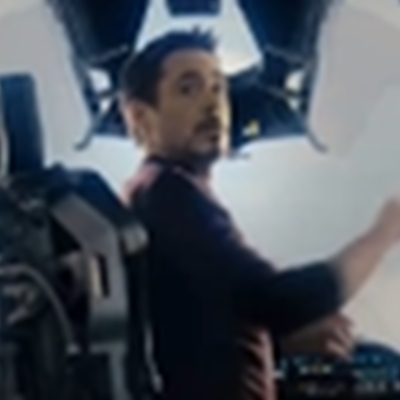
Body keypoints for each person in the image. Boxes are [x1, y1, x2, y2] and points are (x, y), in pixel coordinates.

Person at [118, 29, 400, 400]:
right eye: (189, 89)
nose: (212, 104)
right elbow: (281, 302)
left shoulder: (158, 192)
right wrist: (385, 232)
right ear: (139, 117)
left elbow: (193, 326)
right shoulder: (168, 194)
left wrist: (280, 344)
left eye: (218, 88)